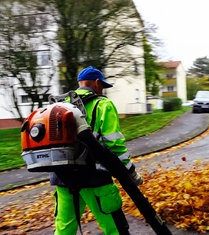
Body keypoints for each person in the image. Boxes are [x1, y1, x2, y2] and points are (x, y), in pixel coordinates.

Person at [50, 66, 142, 235]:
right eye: (102, 87)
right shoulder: (103, 104)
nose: (102, 91)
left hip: (64, 178)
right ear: (97, 83)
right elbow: (115, 145)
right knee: (115, 229)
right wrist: (131, 172)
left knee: (64, 229)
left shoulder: (61, 106)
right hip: (95, 179)